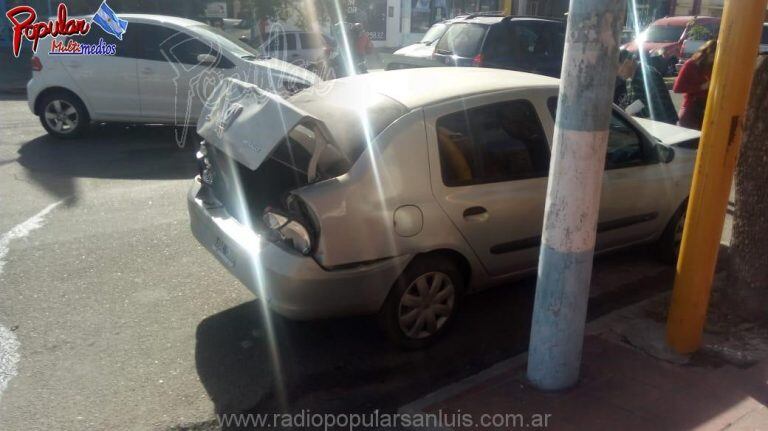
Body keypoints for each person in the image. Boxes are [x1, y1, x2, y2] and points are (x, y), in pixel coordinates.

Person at [614, 49, 679, 125]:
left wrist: (632, 115)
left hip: (665, 124)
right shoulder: (629, 79)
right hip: (649, 125)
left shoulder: (648, 74)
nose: (617, 73)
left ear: (629, 61)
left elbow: (655, 104)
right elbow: (632, 102)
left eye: (618, 68)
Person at [673, 39, 717, 130]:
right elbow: (677, 88)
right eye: (713, 55)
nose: (714, 59)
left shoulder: (715, 66)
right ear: (707, 53)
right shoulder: (691, 65)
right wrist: (701, 87)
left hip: (710, 108)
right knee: (688, 140)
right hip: (692, 108)